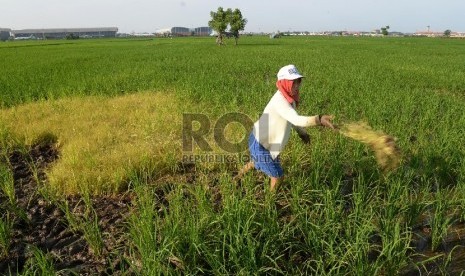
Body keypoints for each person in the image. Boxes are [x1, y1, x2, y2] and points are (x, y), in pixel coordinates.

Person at [235, 64, 335, 192]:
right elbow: (296, 119)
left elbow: (291, 119)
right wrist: (319, 119)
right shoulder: (280, 100)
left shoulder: (289, 99)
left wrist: (302, 133)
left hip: (268, 143)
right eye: (293, 82)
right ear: (284, 83)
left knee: (256, 162)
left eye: (298, 81)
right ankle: (270, 204)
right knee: (278, 176)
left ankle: (237, 177)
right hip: (259, 143)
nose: (297, 85)